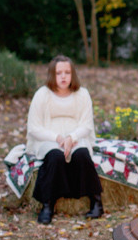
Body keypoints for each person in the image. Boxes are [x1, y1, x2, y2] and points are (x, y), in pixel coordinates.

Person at [26, 55, 103, 224]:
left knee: (82, 155)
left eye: (67, 72)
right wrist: (58, 138)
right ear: (51, 75)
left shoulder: (82, 94)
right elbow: (34, 127)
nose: (63, 76)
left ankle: (96, 201)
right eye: (58, 72)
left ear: (72, 74)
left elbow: (86, 124)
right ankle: (47, 205)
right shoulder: (42, 94)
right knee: (55, 157)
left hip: (76, 137)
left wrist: (71, 138)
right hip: (49, 138)